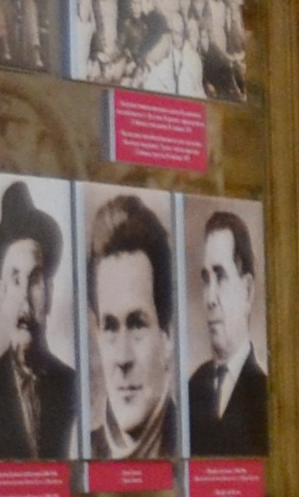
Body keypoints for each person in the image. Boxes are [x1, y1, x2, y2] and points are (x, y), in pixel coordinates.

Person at [0, 183, 72, 459]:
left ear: (49, 293)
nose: (25, 298)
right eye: (15, 280)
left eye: (35, 280)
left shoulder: (70, 384)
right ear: (2, 293)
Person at [80, 191, 177, 462]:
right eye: (110, 328)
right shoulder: (83, 453)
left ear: (167, 336)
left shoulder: (200, 445)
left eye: (137, 325)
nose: (123, 358)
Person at [185, 199, 267, 456]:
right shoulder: (192, 388)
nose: (210, 298)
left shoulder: (265, 393)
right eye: (206, 279)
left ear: (247, 290)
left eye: (220, 277)